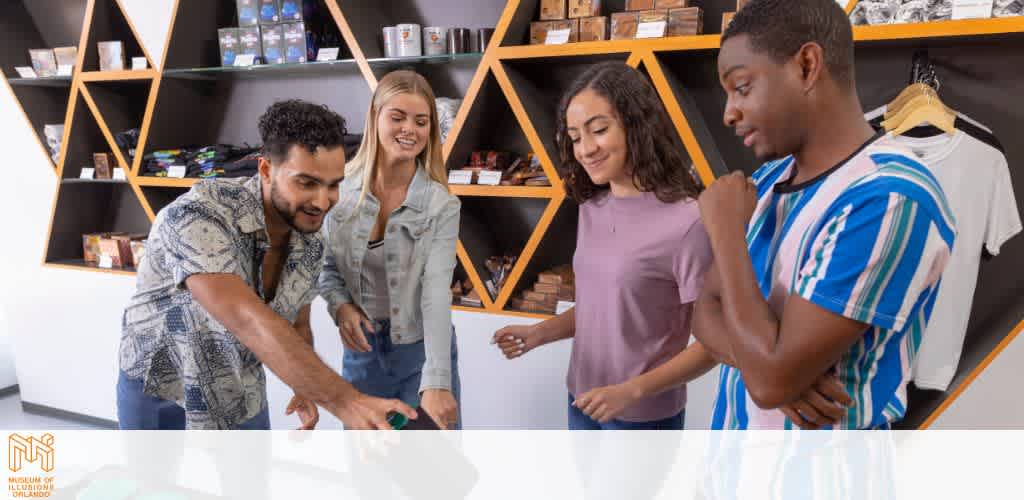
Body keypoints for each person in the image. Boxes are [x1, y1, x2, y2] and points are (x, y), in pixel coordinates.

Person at [695, 0, 956, 430]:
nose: (728, 113)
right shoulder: (771, 176)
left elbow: (767, 382)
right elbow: (704, 312)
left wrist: (725, 232)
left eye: (741, 88)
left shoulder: (891, 195)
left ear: (807, 65)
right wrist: (775, 374)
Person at [116, 99, 416, 430]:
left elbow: (298, 321)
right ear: (265, 170)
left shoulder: (311, 237)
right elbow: (247, 319)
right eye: (306, 182)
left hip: (238, 390)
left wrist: (304, 386)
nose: (322, 201)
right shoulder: (197, 215)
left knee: (251, 483)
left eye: (333, 184)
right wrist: (346, 401)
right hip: (162, 387)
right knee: (154, 483)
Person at [319, 70, 462, 429]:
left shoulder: (440, 205)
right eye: (397, 117)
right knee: (368, 469)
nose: (409, 130)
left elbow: (435, 293)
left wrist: (438, 380)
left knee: (432, 474)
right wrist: (341, 307)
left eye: (421, 121)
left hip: (422, 351)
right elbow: (327, 269)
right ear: (374, 117)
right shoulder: (340, 192)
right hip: (363, 352)